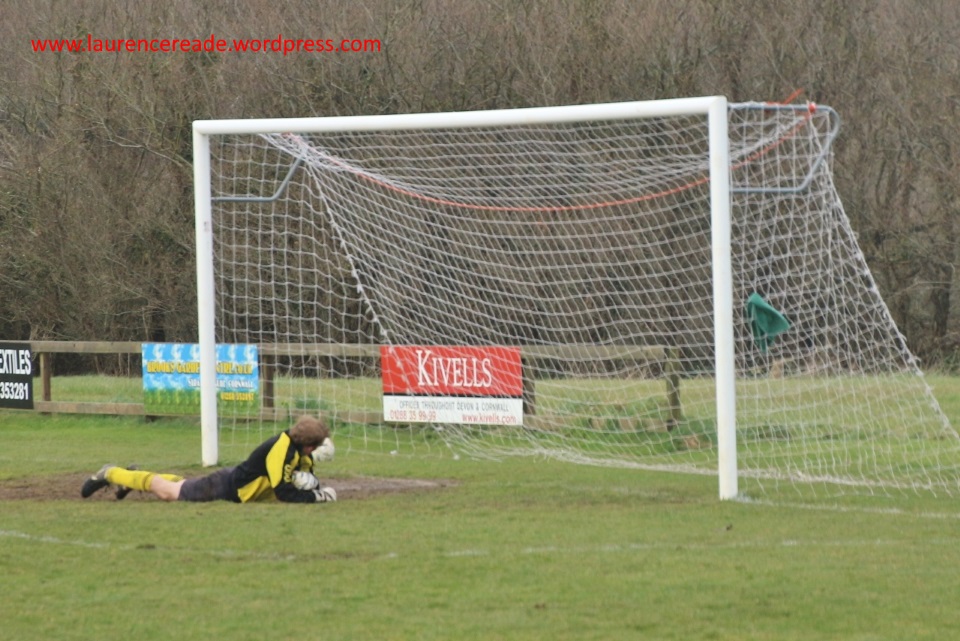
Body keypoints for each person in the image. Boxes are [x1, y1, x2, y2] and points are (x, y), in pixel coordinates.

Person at [80, 415, 337, 504]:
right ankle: (110, 473)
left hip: (230, 482)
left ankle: (131, 478)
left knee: (180, 485)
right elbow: (283, 492)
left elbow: (307, 477)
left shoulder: (296, 449)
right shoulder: (282, 450)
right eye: (314, 447)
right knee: (168, 491)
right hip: (226, 488)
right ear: (307, 444)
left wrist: (315, 486)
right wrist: (317, 497)